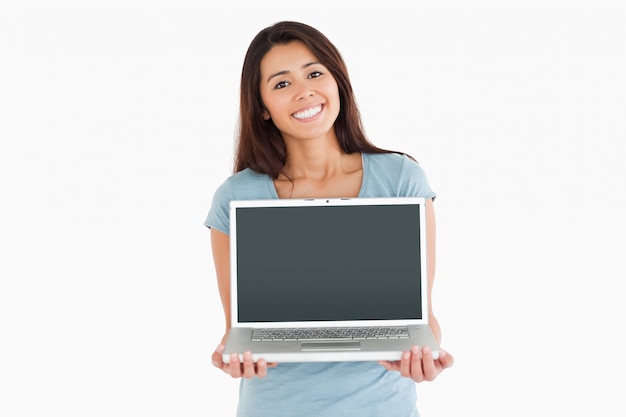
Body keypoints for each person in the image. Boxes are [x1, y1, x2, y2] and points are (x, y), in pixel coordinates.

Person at [205, 20, 454, 417]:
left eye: (315, 73)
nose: (304, 91)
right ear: (263, 108)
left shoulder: (401, 179)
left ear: (338, 82)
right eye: (281, 83)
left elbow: (419, 317)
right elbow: (241, 329)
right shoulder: (236, 196)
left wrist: (425, 353)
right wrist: (233, 356)